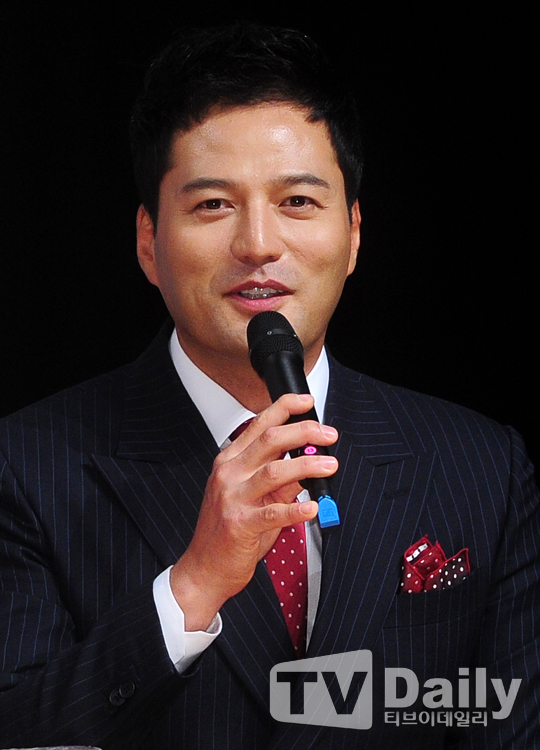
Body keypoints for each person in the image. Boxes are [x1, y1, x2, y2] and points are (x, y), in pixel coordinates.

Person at [0, 21, 538, 749]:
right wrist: (193, 585)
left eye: (297, 202)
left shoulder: (482, 467)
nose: (257, 244)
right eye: (213, 205)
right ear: (148, 243)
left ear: (353, 234)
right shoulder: (26, 468)